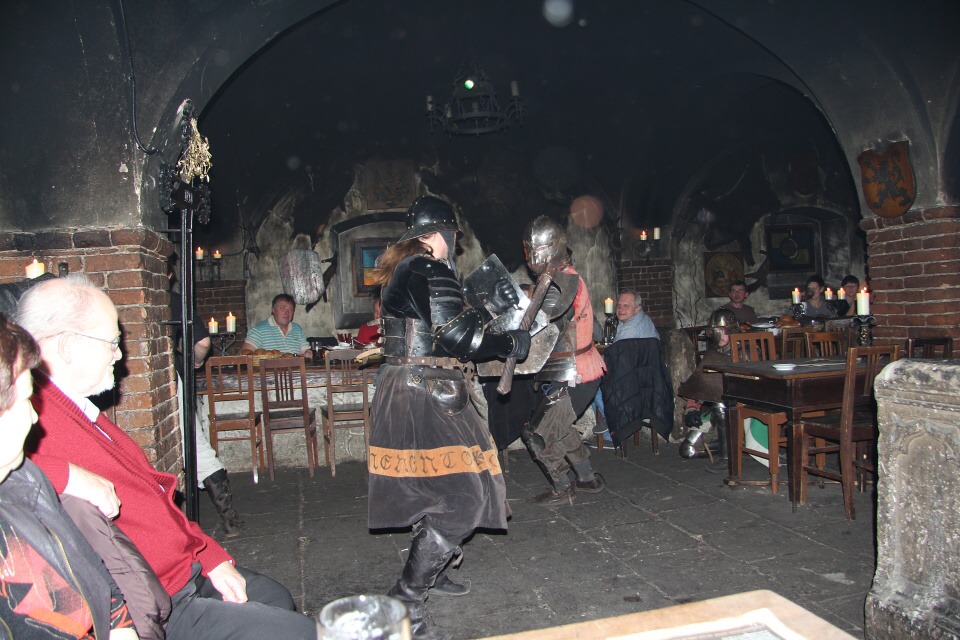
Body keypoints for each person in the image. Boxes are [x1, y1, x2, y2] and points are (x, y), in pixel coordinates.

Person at [16, 275, 317, 640]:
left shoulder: (82, 412)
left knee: (277, 598)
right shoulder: (25, 417)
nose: (120, 355)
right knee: (304, 632)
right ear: (67, 346)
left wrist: (208, 556)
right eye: (112, 342)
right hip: (157, 602)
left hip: (184, 569)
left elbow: (159, 502)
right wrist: (63, 474)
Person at [367, 196, 530, 639]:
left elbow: (442, 329)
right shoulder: (428, 267)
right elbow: (456, 337)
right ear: (441, 232)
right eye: (453, 236)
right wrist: (510, 343)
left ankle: (432, 573)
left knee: (435, 487)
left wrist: (485, 312)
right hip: (424, 392)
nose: (454, 244)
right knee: (464, 496)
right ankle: (406, 598)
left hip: (416, 386)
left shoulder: (407, 269)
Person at [0, 313, 139, 640]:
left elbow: (96, 576)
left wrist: (121, 629)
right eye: (24, 400)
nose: (35, 417)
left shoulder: (24, 478)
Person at [520, 216, 607, 506]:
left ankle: (562, 486)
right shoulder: (559, 278)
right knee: (559, 428)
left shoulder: (562, 281)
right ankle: (587, 478)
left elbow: (542, 325)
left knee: (537, 433)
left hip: (574, 372)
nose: (532, 257)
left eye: (537, 250)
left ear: (553, 247)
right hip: (569, 371)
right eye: (529, 249)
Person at [168, 257, 243, 537]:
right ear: (168, 276)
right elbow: (202, 342)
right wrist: (195, 360)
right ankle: (229, 518)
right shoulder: (172, 300)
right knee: (196, 444)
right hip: (169, 376)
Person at [592, 289, 658, 439]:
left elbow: (614, 359)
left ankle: (614, 427)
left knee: (591, 383)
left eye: (626, 305)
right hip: (648, 378)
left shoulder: (630, 328)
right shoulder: (644, 320)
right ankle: (613, 426)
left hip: (632, 384)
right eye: (619, 305)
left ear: (637, 308)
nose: (620, 309)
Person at [677, 308, 737, 471]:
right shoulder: (713, 354)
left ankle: (727, 457)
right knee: (687, 450)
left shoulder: (745, 349)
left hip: (741, 409)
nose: (721, 335)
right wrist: (691, 407)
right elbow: (700, 383)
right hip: (714, 415)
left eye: (724, 330)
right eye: (717, 331)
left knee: (720, 405)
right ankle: (731, 445)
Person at [241, 293, 311, 357]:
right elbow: (245, 356)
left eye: (290, 309)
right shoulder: (259, 330)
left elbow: (305, 352)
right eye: (282, 308)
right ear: (273, 310)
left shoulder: (297, 329)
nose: (287, 312)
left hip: (296, 367)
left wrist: (308, 353)